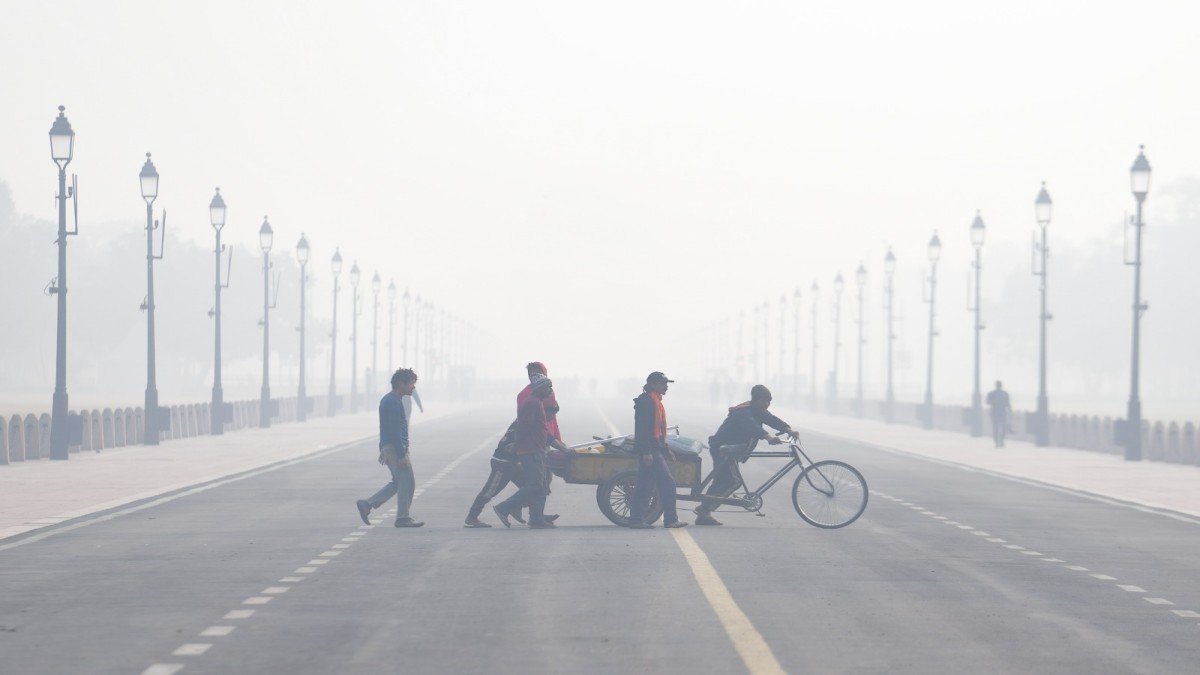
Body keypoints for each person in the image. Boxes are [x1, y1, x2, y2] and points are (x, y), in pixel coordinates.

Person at [695, 385, 799, 526]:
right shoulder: (743, 411)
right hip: (723, 449)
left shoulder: (759, 411)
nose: (767, 404)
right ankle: (704, 510)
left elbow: (773, 420)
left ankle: (704, 511)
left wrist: (788, 429)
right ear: (756, 400)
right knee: (731, 481)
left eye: (769, 401)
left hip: (731, 449)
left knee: (723, 480)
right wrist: (768, 437)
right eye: (764, 401)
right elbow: (751, 425)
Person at [493, 374, 565, 529]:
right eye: (548, 387)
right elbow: (523, 427)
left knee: (541, 485)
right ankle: (504, 508)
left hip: (536, 449)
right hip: (530, 451)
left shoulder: (537, 402)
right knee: (535, 485)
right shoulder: (532, 403)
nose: (550, 390)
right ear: (540, 388)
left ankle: (536, 517)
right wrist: (518, 447)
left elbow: (542, 431)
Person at [356, 369, 424, 528]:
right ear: (401, 384)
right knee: (406, 482)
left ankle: (367, 505)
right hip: (394, 448)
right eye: (411, 384)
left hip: (393, 447)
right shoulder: (392, 401)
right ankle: (402, 518)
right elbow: (394, 430)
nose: (413, 388)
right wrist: (400, 455)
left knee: (401, 482)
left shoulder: (394, 400)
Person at [627, 372, 687, 529]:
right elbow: (643, 429)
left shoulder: (655, 401)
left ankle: (636, 520)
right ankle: (670, 520)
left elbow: (658, 430)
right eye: (662, 383)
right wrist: (646, 451)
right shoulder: (647, 402)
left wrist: (666, 449)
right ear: (652, 384)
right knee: (668, 484)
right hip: (650, 450)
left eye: (666, 383)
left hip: (654, 448)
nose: (666, 386)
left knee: (645, 485)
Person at [986, 381, 1012, 448]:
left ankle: (997, 442)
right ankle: (1001, 441)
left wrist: (994, 402)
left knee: (995, 427)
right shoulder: (1005, 393)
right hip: (1002, 412)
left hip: (994, 412)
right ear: (1001, 385)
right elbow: (1008, 403)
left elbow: (987, 402)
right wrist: (1010, 410)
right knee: (1002, 427)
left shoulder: (991, 393)